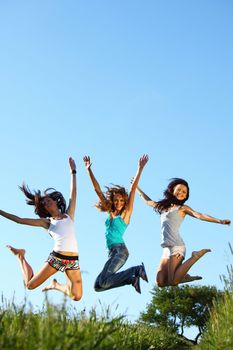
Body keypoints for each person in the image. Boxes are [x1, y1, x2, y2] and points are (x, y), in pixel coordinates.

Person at [0, 157, 82, 301]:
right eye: (44, 203)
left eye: (48, 200)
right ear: (45, 209)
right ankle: (20, 256)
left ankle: (56, 285)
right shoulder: (47, 222)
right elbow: (20, 220)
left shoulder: (69, 215)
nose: (46, 202)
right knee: (30, 285)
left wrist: (73, 172)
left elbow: (73, 193)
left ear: (55, 202)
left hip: (73, 259)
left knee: (77, 296)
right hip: (57, 257)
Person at [136, 178, 231, 287]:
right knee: (160, 282)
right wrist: (137, 188)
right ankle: (184, 276)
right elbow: (148, 201)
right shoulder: (163, 207)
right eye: (179, 190)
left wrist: (219, 221)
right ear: (172, 191)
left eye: (184, 192)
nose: (181, 193)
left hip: (177, 246)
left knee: (173, 282)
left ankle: (194, 256)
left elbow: (199, 215)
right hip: (166, 248)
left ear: (186, 196)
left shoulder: (182, 208)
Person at [83, 154, 149, 294]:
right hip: (112, 252)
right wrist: (88, 170)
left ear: (125, 202)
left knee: (104, 281)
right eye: (116, 200)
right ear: (112, 201)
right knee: (98, 286)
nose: (119, 203)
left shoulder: (126, 214)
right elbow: (97, 190)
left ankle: (136, 270)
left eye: (121, 201)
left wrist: (140, 168)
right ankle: (131, 280)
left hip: (120, 251)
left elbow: (132, 189)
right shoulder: (109, 212)